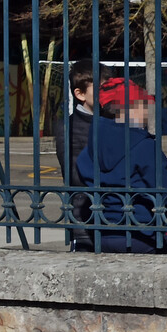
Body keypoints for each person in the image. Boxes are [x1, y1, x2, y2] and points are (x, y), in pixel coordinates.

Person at [75, 77, 167, 254]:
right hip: (142, 232)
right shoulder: (143, 145)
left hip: (103, 233)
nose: (146, 112)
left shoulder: (91, 147)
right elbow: (166, 189)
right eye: (143, 106)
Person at [52, 59, 100, 251]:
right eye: (99, 90)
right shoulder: (67, 128)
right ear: (79, 94)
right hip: (84, 218)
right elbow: (73, 175)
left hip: (119, 216)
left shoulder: (116, 121)